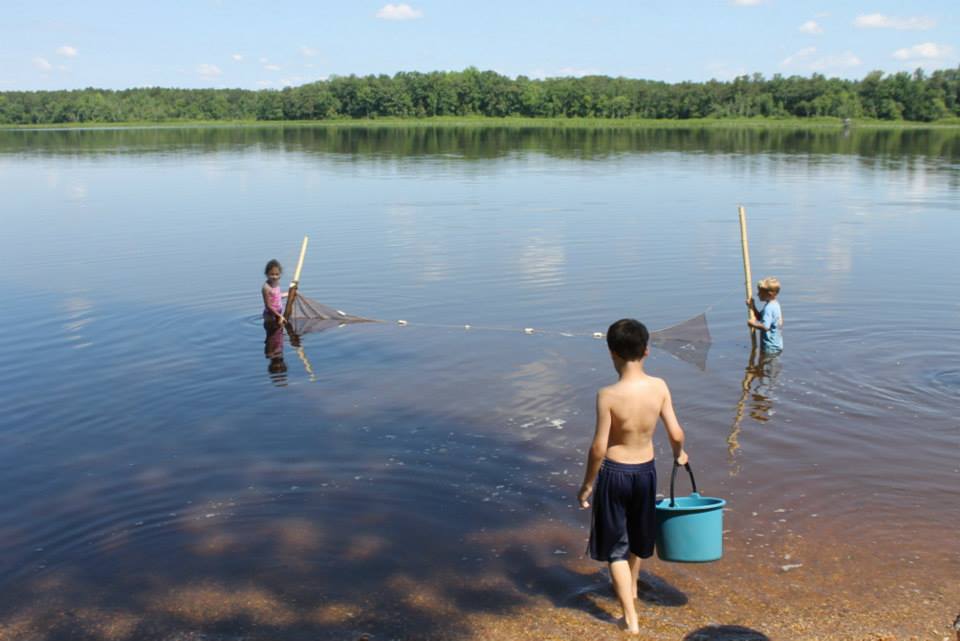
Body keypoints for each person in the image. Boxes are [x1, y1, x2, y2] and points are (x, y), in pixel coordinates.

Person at [577, 318, 689, 635]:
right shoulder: (660, 386)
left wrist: (587, 485)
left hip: (614, 473)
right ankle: (634, 590)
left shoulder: (607, 394)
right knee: (638, 539)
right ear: (647, 351)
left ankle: (629, 620)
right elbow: (676, 432)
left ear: (611, 352)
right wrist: (679, 453)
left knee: (614, 548)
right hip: (645, 470)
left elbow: (599, 447)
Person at [746, 277, 783, 354]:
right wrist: (752, 307)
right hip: (777, 345)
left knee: (766, 364)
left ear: (769, 294)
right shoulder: (775, 304)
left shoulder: (768, 308)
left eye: (760, 292)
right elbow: (760, 317)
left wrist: (752, 323)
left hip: (770, 347)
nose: (758, 294)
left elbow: (765, 327)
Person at [262, 259, 288, 328]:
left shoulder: (276, 283)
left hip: (278, 313)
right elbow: (268, 306)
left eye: (277, 274)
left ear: (280, 275)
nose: (274, 277)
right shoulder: (266, 287)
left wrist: (288, 294)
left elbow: (277, 296)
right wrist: (279, 316)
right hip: (270, 316)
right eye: (272, 274)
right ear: (266, 274)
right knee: (272, 335)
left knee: (279, 336)